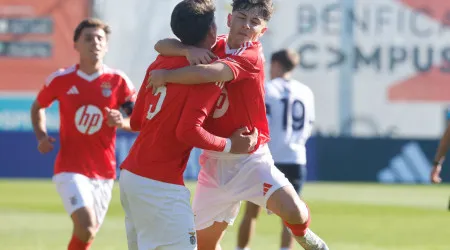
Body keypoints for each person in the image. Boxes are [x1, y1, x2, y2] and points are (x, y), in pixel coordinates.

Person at [149, 1, 329, 249]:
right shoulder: (215, 44)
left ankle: (303, 237)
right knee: (203, 246)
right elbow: (161, 45)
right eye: (242, 17)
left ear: (262, 31)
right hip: (214, 164)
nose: (246, 25)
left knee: (295, 212)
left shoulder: (252, 55)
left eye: (255, 22)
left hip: (250, 159)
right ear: (229, 19)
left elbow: (210, 73)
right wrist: (186, 51)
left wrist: (166, 76)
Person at [119, 1, 257, 249]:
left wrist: (183, 51)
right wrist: (230, 145)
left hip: (130, 177)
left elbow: (138, 121)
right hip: (160, 184)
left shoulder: (160, 60)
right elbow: (187, 131)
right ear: (212, 31)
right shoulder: (206, 73)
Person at [30, 18, 136, 250]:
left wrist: (123, 121)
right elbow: (38, 107)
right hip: (69, 169)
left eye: (100, 38)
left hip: (105, 173)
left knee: (86, 235)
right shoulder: (60, 79)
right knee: (86, 227)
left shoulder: (119, 81)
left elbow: (137, 120)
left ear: (106, 45)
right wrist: (41, 136)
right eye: (88, 38)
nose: (95, 43)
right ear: (75, 45)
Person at [236, 49, 315, 250]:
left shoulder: (268, 88)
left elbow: (260, 120)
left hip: (268, 157)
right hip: (296, 158)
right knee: (291, 217)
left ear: (276, 65)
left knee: (251, 211)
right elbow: (309, 124)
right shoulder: (306, 91)